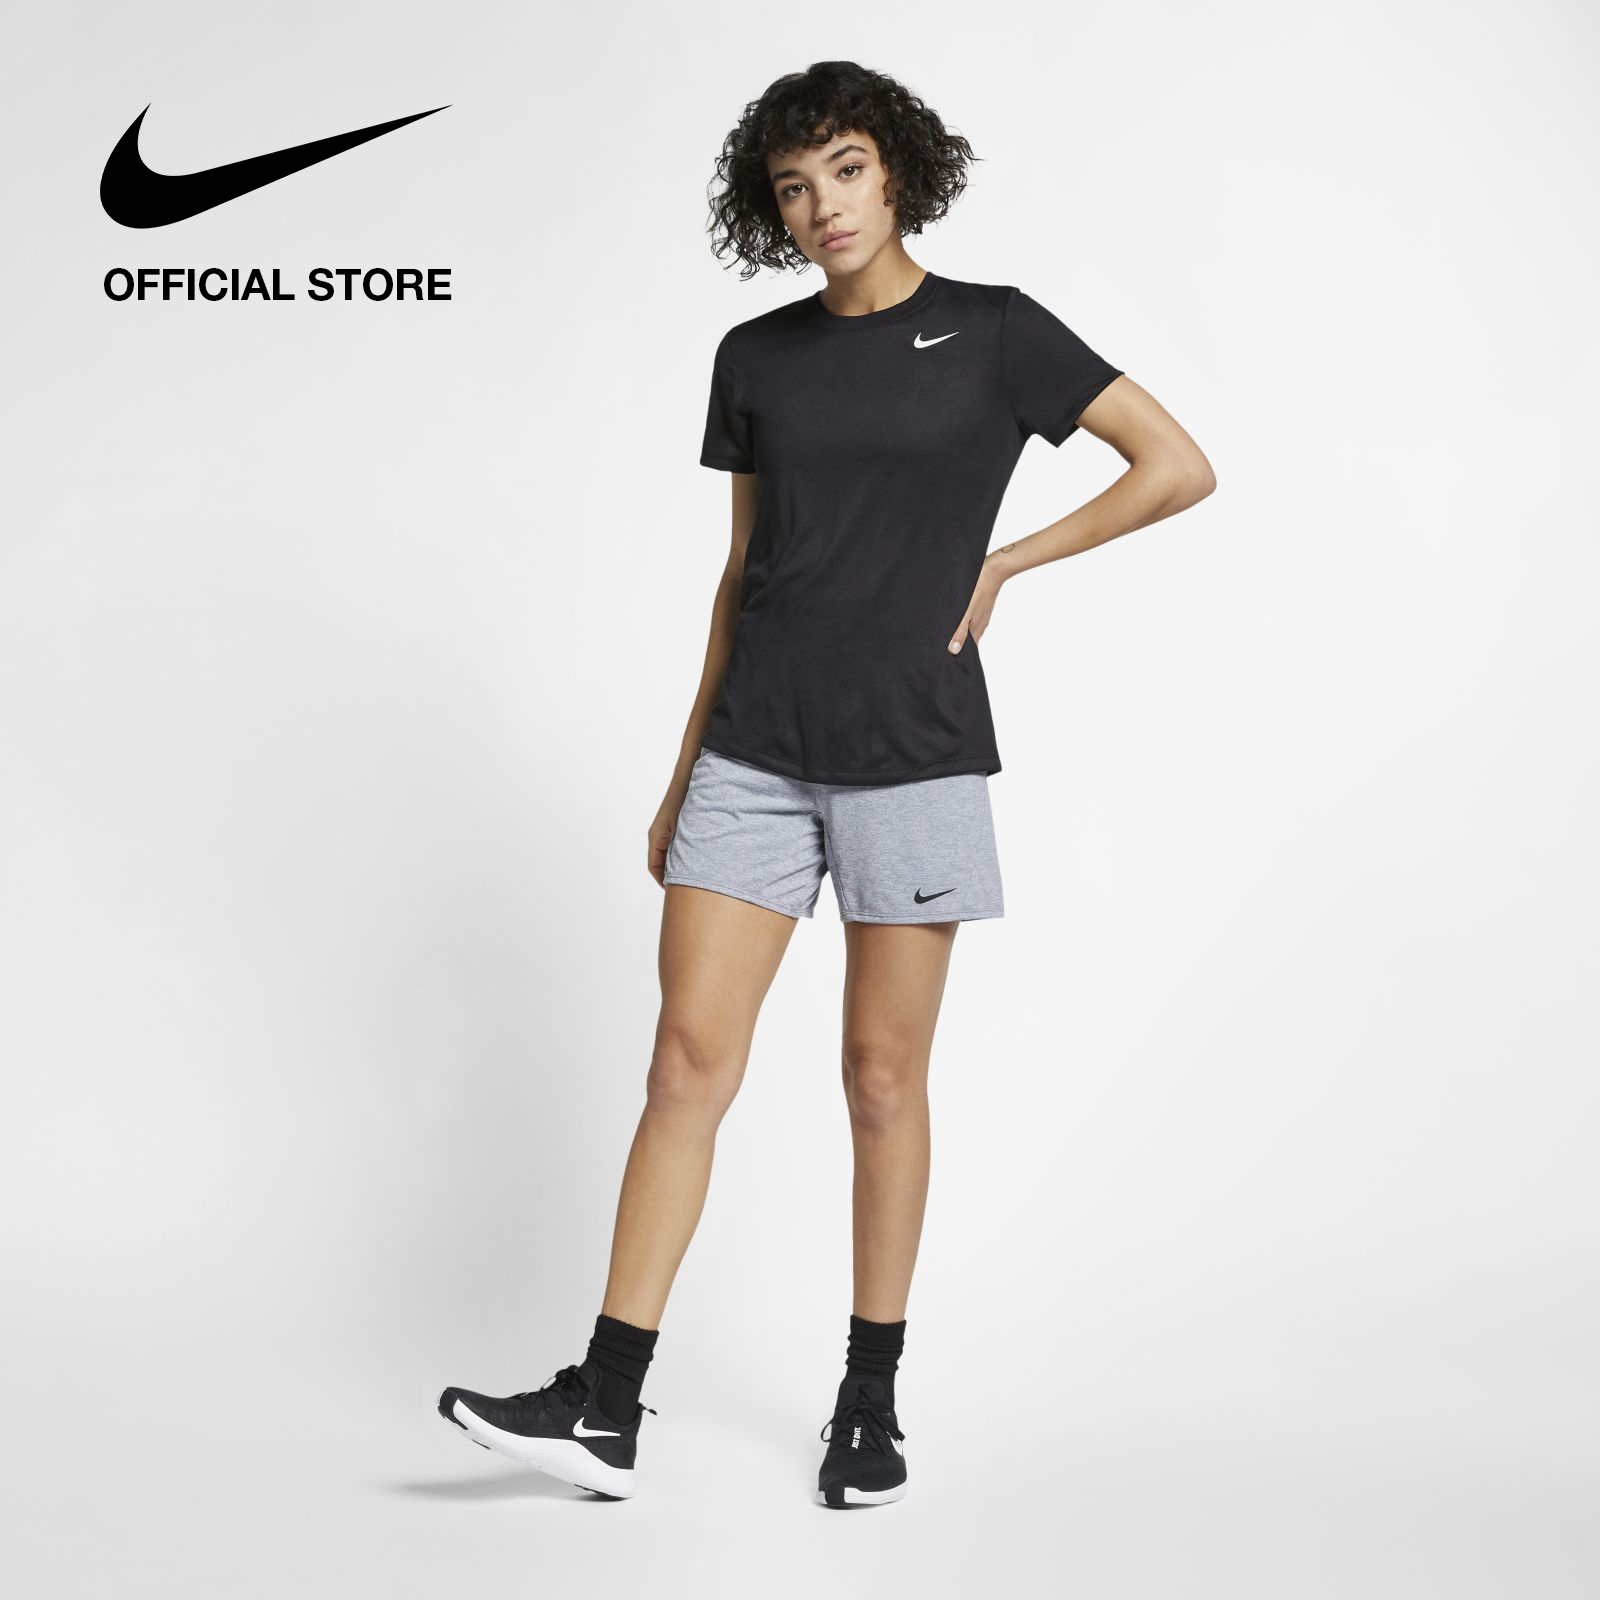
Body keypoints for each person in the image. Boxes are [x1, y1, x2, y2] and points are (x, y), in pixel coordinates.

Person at [437, 59, 1215, 1508]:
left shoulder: (996, 332)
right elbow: (744, 570)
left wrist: (1007, 561)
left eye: (845, 171)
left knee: (879, 1079)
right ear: (773, 210)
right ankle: (604, 1403)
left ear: (897, 171)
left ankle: (869, 1402)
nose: (823, 207)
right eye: (794, 188)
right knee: (685, 1062)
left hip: (914, 756)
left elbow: (1177, 465)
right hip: (753, 754)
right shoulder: (758, 357)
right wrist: (685, 771)